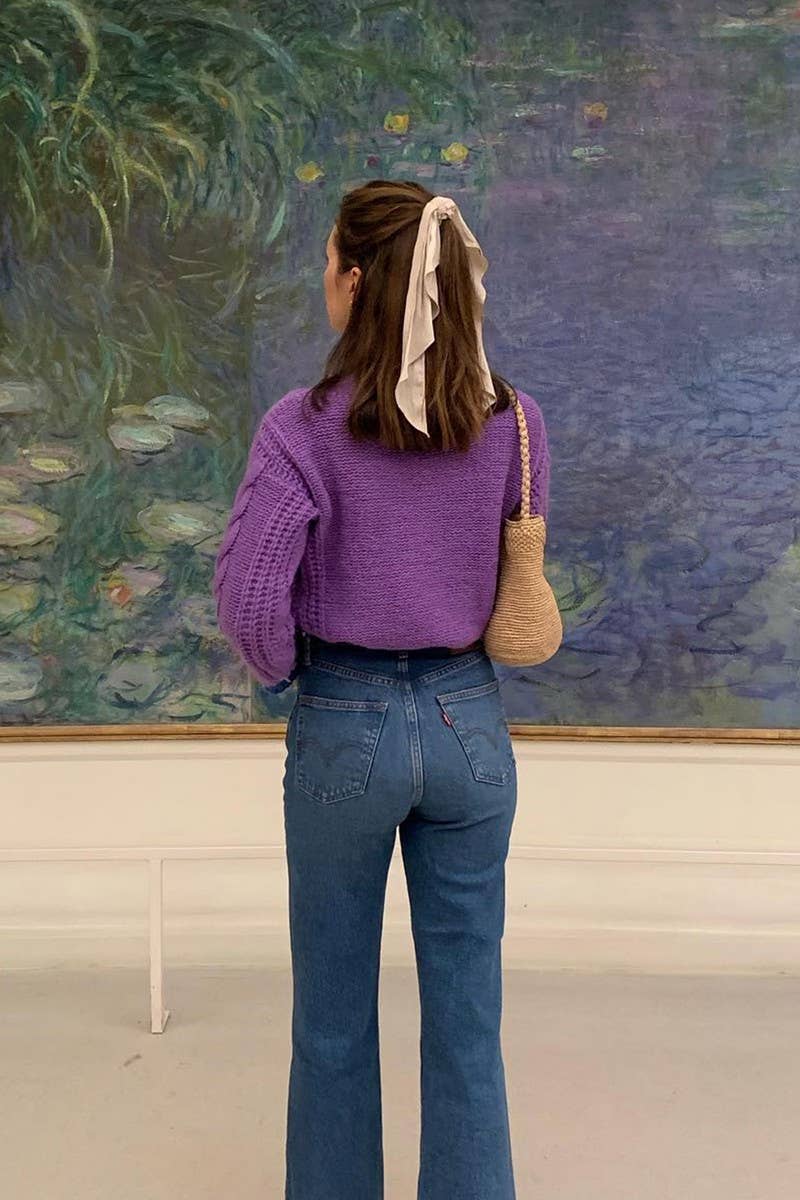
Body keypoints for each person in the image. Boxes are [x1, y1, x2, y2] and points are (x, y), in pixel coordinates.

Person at [213, 179, 551, 1200]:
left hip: (344, 722)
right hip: (469, 724)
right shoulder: (512, 421)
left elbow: (250, 601)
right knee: (468, 1024)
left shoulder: (302, 426)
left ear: (357, 282)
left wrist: (293, 673)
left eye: (328, 262)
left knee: (330, 1023)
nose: (323, 278)